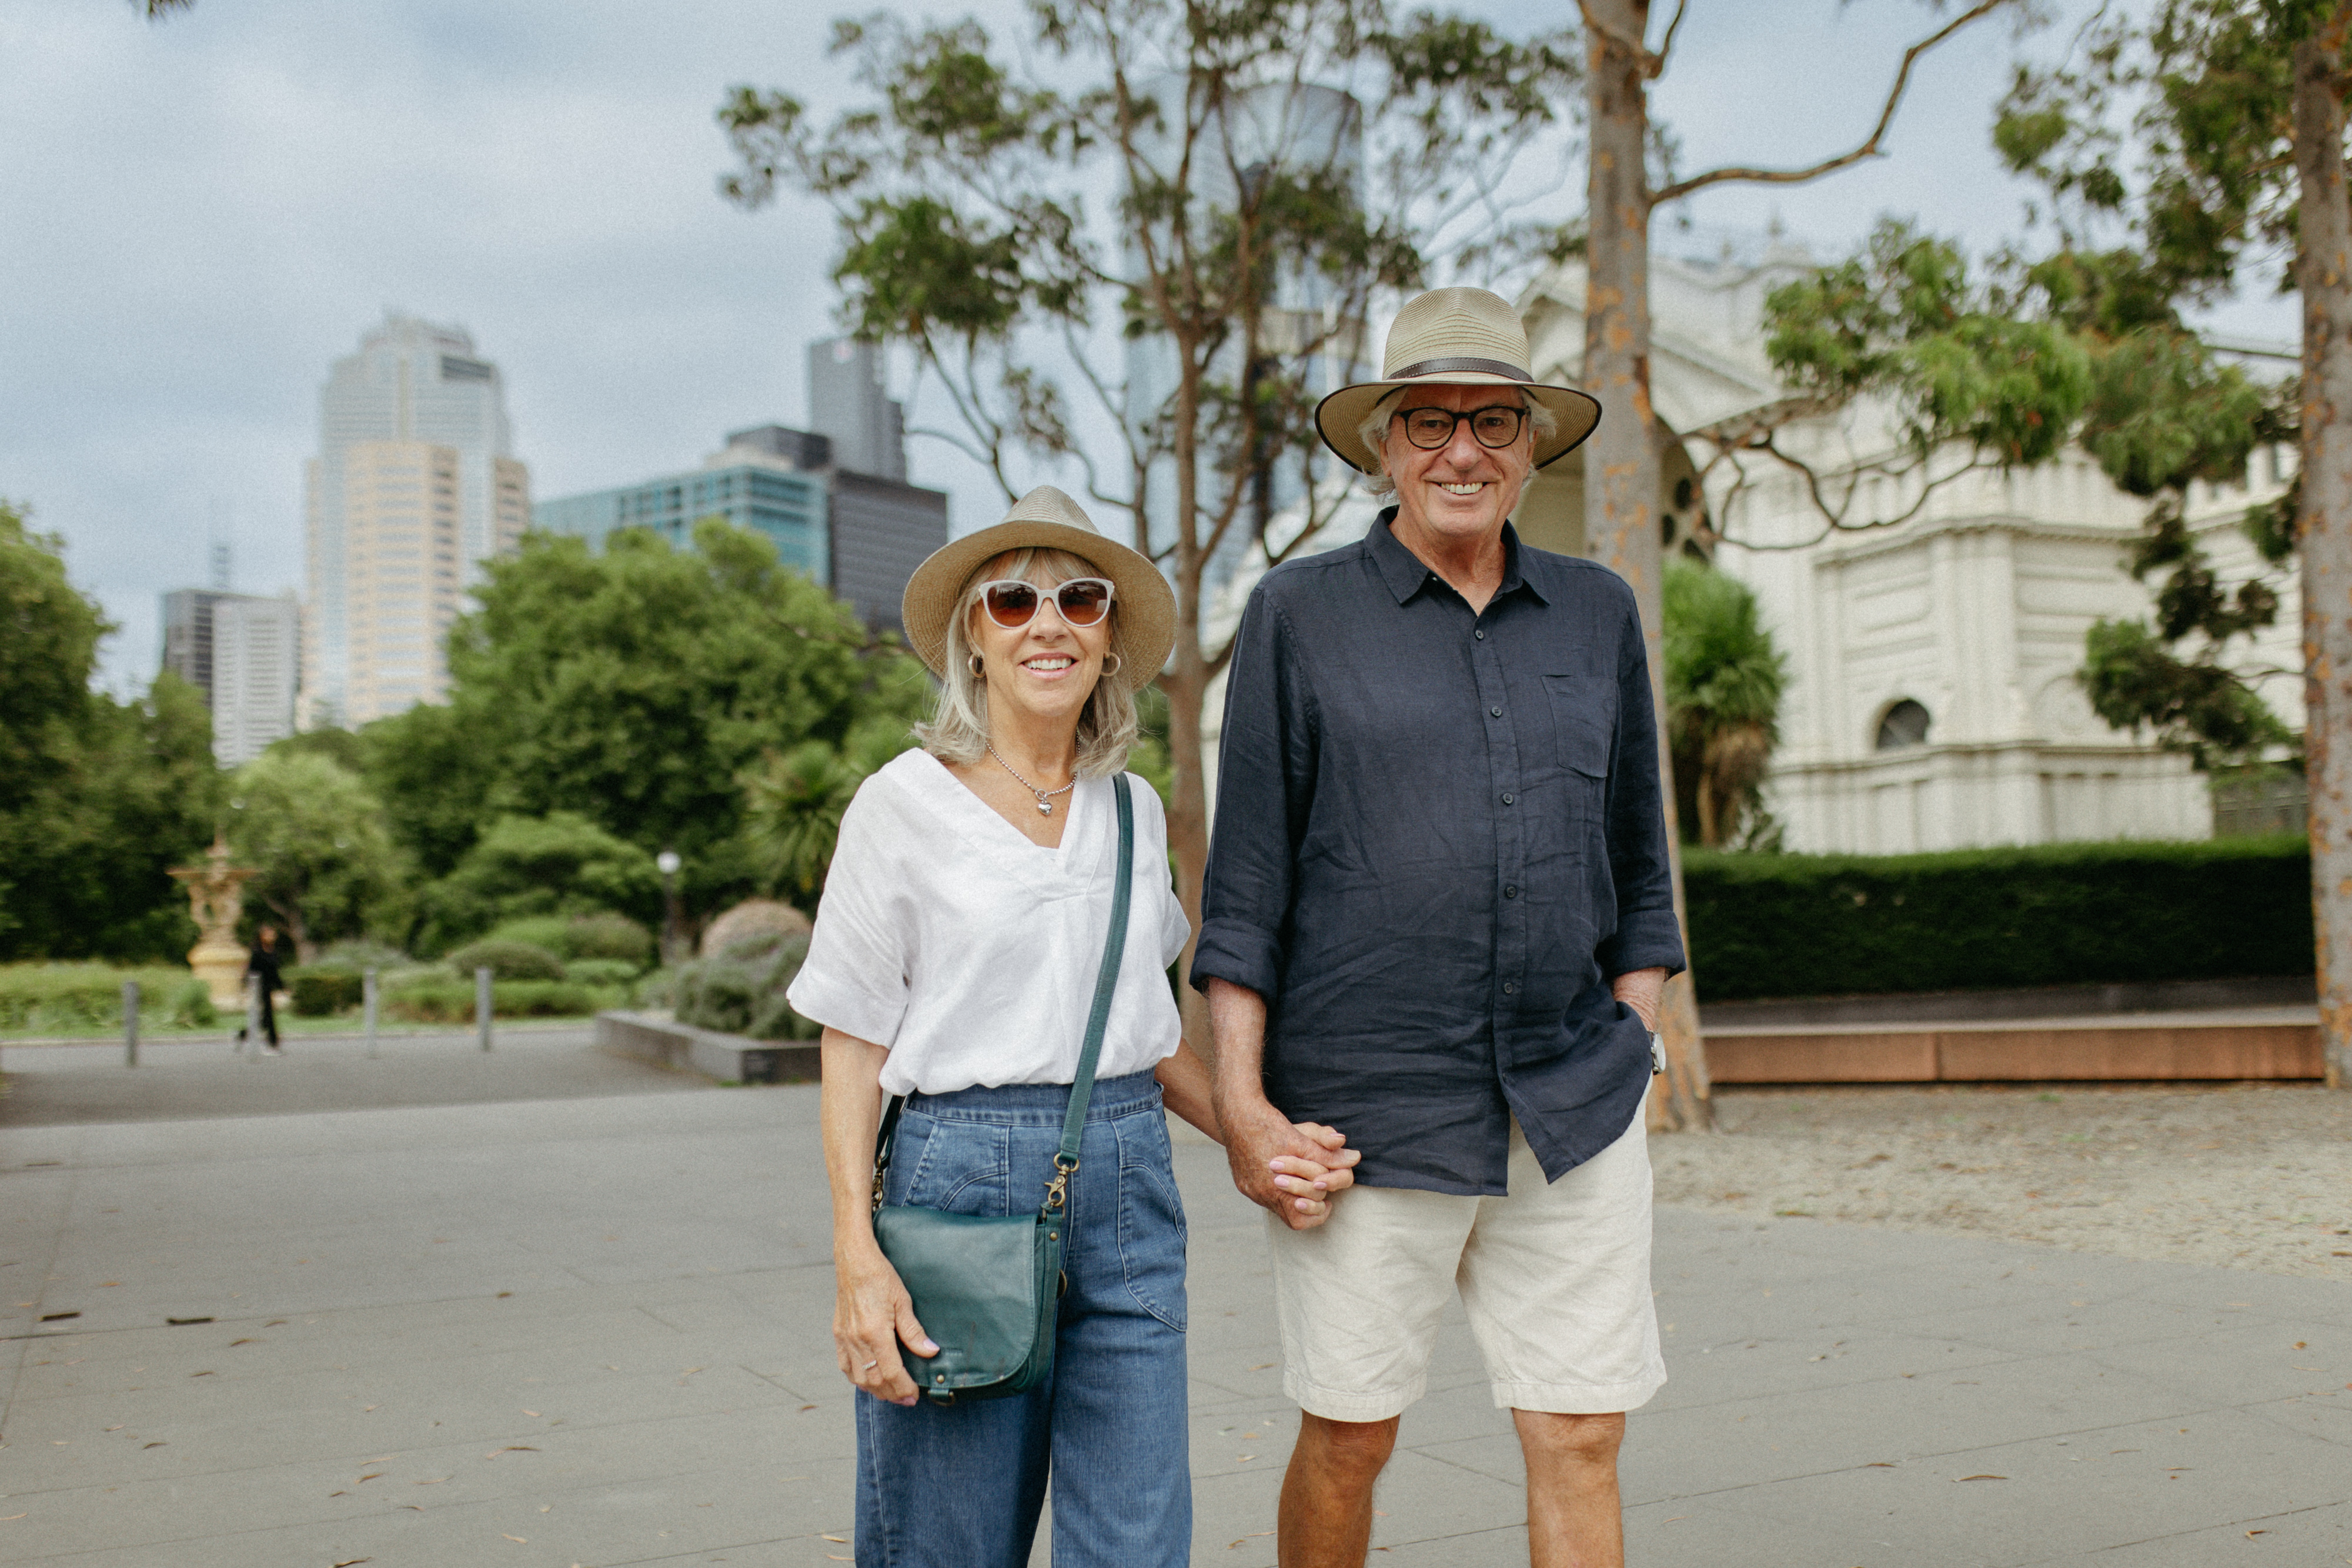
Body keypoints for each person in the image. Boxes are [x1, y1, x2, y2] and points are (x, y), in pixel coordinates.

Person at [1191, 287, 1686, 1568]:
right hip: (1361, 1110)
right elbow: (1242, 893)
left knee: (1578, 1429)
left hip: (1572, 1100)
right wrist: (1244, 1112)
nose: (1459, 451)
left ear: (1530, 445)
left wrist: (1636, 1046)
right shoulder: (1298, 614)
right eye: (1426, 422)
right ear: (1381, 446)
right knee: (1350, 1433)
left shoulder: (1598, 612)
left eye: (1491, 421)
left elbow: (1639, 862)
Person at [787, 485, 1360, 1568]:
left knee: (1138, 1542)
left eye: (1078, 599)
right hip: (956, 1181)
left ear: (1107, 638)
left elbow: (1143, 1035)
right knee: (949, 1543)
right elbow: (852, 1043)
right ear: (976, 638)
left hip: (1129, 1175)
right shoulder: (900, 806)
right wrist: (857, 1258)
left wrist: (1255, 1135)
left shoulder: (1134, 811)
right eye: (1012, 601)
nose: (1046, 621)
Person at [237, 924, 286, 1056]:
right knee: (268, 1017)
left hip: (268, 987)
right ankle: (272, 1044)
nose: (271, 936)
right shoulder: (257, 952)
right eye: (268, 934)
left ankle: (243, 1035)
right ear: (261, 936)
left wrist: (282, 986)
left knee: (264, 1018)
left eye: (272, 934)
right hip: (258, 987)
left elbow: (275, 972)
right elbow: (251, 970)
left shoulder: (274, 951)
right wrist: (246, 986)